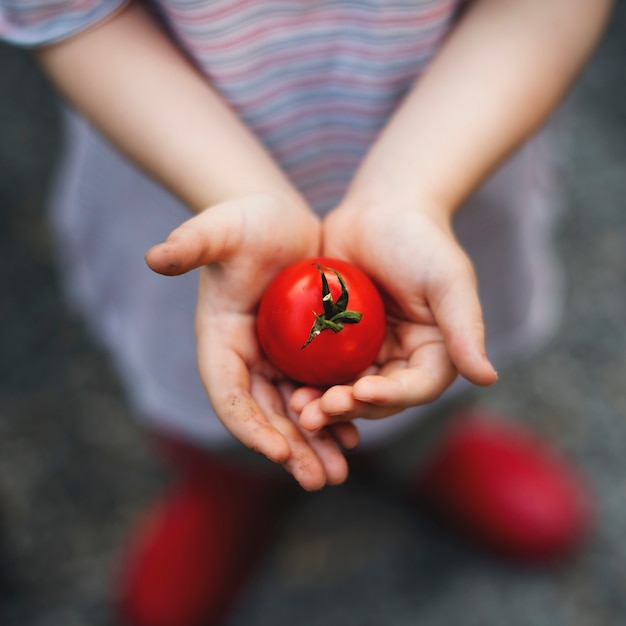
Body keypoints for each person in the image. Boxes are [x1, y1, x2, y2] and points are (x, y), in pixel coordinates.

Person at [0, 1, 613, 624]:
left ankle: (427, 447)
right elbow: (70, 16)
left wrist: (413, 189)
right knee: (211, 387)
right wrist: (240, 190)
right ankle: (227, 489)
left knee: (438, 345)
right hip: (180, 174)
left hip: (455, 156)